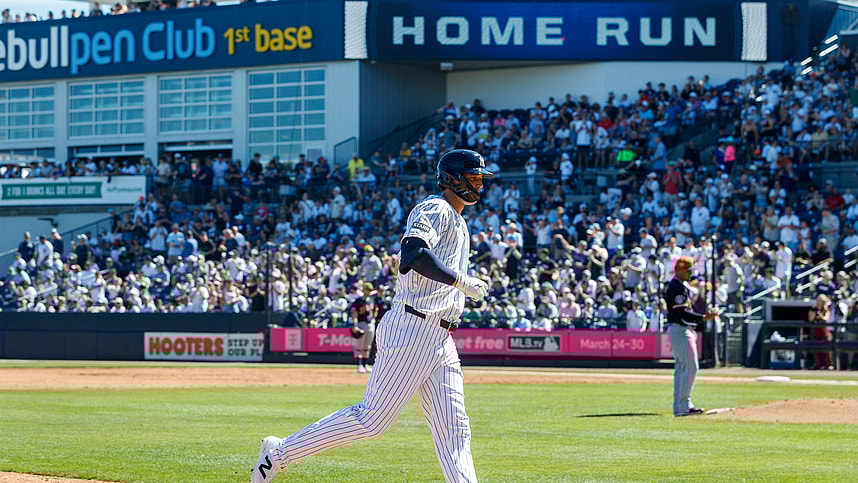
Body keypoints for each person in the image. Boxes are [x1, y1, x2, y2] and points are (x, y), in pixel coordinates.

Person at [252, 149, 491, 483]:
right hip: (413, 326)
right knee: (372, 420)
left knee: (455, 430)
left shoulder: (458, 220)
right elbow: (413, 254)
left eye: (481, 178)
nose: (480, 183)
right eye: (474, 176)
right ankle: (278, 453)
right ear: (453, 178)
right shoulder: (435, 207)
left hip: (439, 335)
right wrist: (461, 281)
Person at [664, 256, 718, 417]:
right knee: (690, 367)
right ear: (679, 270)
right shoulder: (676, 287)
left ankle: (681, 406)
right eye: (687, 271)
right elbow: (681, 311)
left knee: (682, 368)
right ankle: (683, 405)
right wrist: (703, 317)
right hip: (680, 329)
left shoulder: (680, 285)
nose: (690, 274)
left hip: (682, 329)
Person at [349, 281, 378, 373]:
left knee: (367, 346)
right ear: (364, 290)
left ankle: (365, 365)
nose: (369, 291)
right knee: (359, 345)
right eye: (367, 289)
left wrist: (373, 318)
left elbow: (375, 310)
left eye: (370, 290)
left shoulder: (372, 300)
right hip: (361, 323)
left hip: (370, 323)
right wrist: (355, 325)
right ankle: (359, 365)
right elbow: (354, 313)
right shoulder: (358, 301)